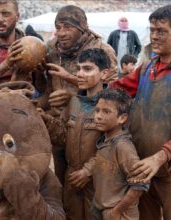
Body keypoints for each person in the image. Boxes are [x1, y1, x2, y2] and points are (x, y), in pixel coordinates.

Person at [110, 5, 171, 220]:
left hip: (170, 170)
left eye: (161, 31)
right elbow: (118, 90)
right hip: (142, 166)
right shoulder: (147, 67)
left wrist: (159, 158)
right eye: (152, 30)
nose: (154, 36)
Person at [43, 5, 117, 185]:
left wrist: (72, 91)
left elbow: (114, 90)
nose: (61, 33)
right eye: (58, 27)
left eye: (67, 27)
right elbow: (45, 86)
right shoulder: (52, 50)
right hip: (61, 126)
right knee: (65, 180)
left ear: (82, 28)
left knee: (95, 181)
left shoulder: (102, 50)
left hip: (93, 127)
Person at [39, 48, 110, 220]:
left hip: (99, 179)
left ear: (104, 74)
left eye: (87, 69)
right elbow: (63, 136)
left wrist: (88, 171)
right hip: (72, 178)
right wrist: (46, 121)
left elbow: (114, 144)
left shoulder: (113, 104)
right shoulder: (75, 101)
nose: (80, 74)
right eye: (78, 69)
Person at [87, 89, 148, 220]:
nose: (98, 116)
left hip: (119, 214)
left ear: (122, 118)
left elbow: (140, 183)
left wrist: (117, 211)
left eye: (106, 112)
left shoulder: (123, 146)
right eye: (97, 110)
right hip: (101, 208)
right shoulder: (104, 140)